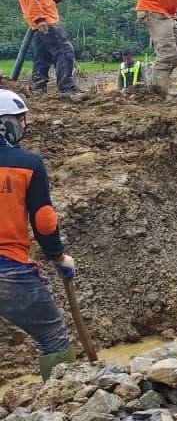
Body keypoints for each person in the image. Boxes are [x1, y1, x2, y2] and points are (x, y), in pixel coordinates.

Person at [0, 90, 79, 378]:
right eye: (19, 121)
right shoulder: (27, 164)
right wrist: (59, 257)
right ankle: (62, 403)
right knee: (53, 337)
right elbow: (44, 221)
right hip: (7, 269)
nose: (22, 126)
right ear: (6, 123)